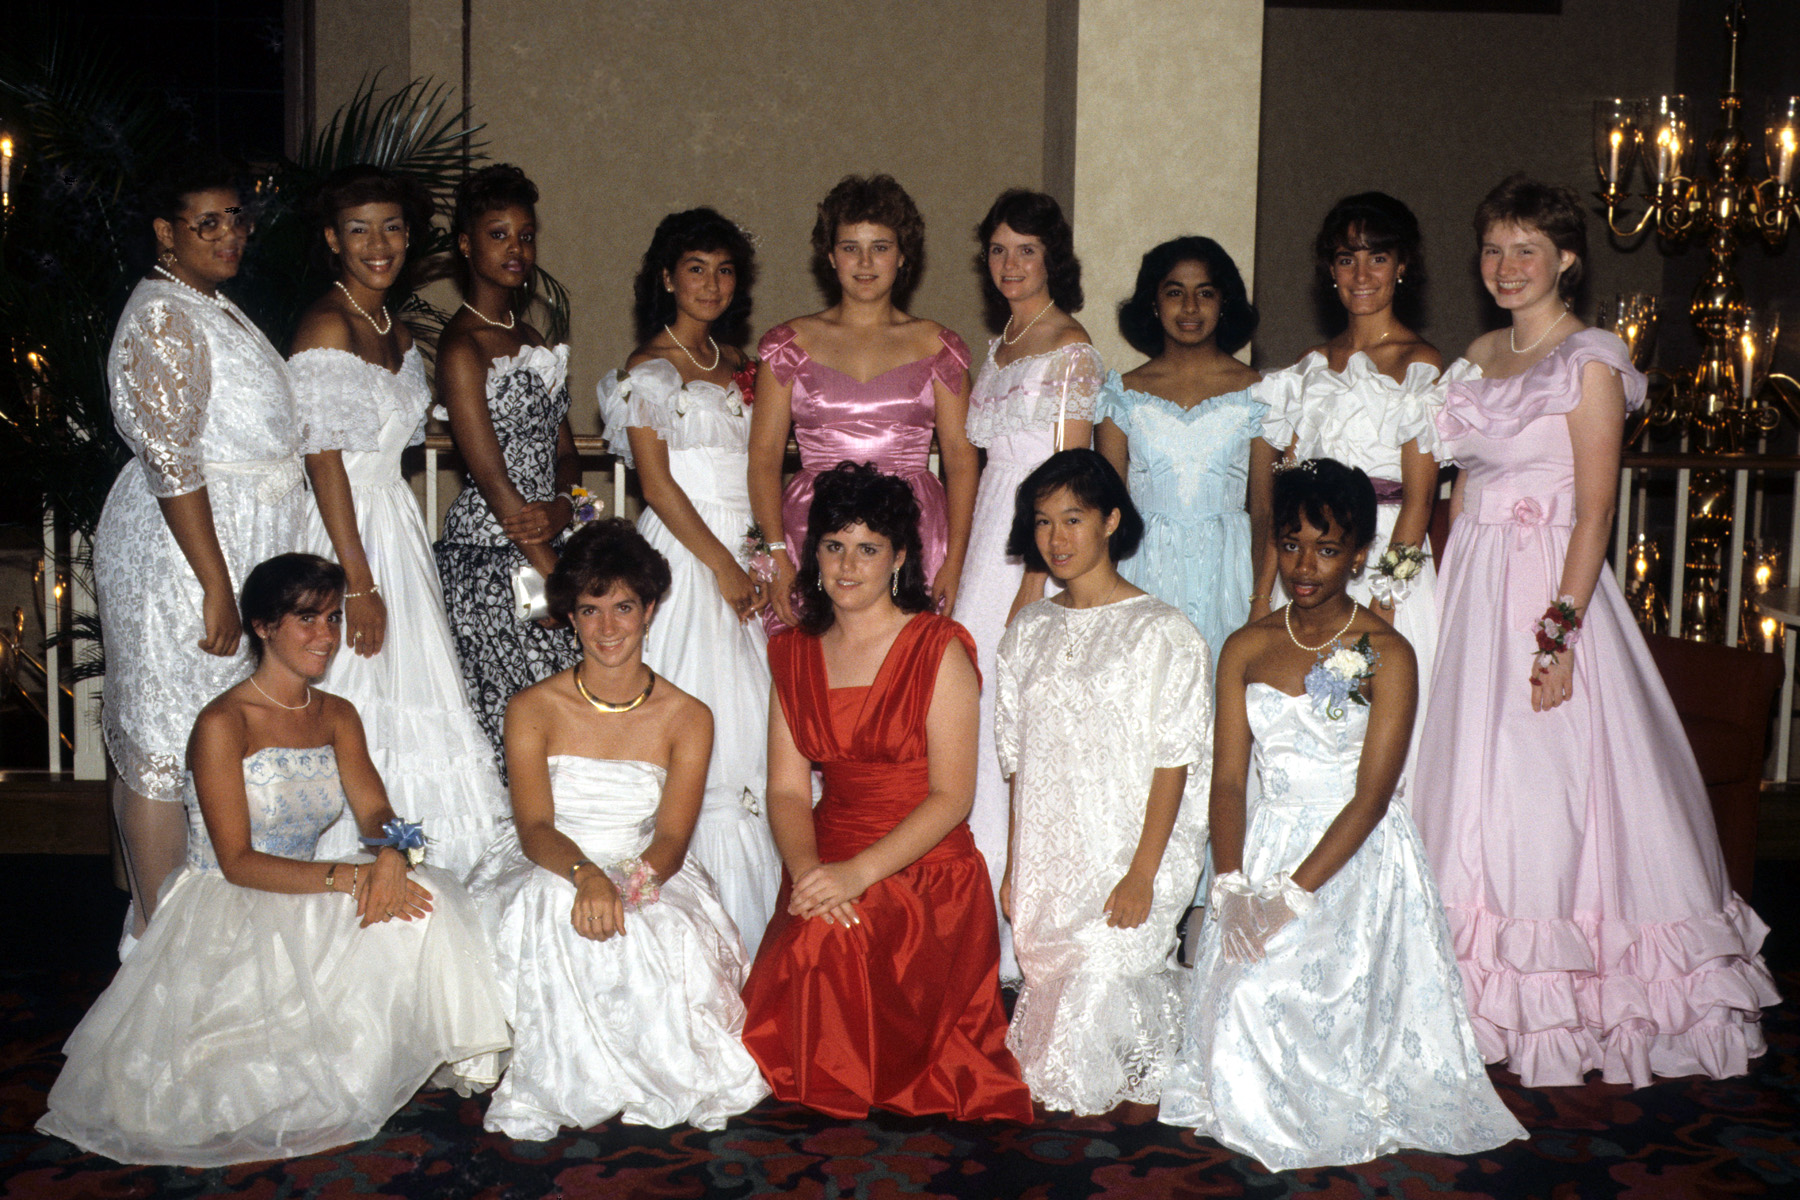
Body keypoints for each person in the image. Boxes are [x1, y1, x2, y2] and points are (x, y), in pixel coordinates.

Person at [1414, 176, 1778, 1089]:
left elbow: (1595, 512)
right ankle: (1469, 989)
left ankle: (1572, 996)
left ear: (1567, 259)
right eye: (1493, 249)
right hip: (1474, 591)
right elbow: (1461, 490)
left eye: (1526, 250)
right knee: (1462, 785)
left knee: (1547, 787)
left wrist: (1558, 636)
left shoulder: (1591, 362)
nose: (1506, 267)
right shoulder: (1478, 355)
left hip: (1547, 588)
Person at [37, 554, 510, 1167]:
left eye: (333, 618)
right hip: (230, 902)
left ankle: (388, 1055)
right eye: (307, 619)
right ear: (262, 626)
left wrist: (395, 851)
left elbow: (377, 812)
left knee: (430, 898)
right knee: (242, 1083)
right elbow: (237, 861)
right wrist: (355, 876)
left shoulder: (336, 713)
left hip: (306, 888)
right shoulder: (223, 722)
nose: (326, 635)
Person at [1159, 460, 1525, 1170]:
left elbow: (1372, 797)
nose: (1305, 566)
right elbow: (1228, 782)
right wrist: (1231, 885)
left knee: (1274, 995)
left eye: (1326, 549)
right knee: (1241, 994)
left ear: (1358, 555)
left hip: (1357, 856)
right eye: (1292, 545)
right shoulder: (1244, 647)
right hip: (1268, 844)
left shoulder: (1389, 653)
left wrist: (1291, 896)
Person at [740, 462, 1032, 1122]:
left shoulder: (937, 648)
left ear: (899, 557)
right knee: (818, 931)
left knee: (829, 942)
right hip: (825, 852)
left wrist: (856, 874)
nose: (847, 566)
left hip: (925, 865)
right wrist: (809, 872)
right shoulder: (793, 653)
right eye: (833, 546)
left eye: (868, 549)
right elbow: (786, 791)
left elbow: (953, 797)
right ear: (813, 554)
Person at [466, 520, 768, 1139]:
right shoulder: (531, 708)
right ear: (571, 617)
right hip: (551, 858)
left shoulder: (688, 715)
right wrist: (585, 876)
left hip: (647, 861)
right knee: (549, 907)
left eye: (623, 607)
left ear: (650, 610)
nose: (607, 628)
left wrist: (627, 883)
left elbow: (673, 838)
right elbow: (534, 825)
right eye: (590, 609)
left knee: (658, 930)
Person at [93, 154, 308, 941]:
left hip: (235, 541)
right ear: (166, 232)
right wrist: (217, 584)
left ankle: (207, 933)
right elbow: (173, 460)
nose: (230, 235)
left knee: (210, 736)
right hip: (182, 556)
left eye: (236, 219)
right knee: (167, 740)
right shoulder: (162, 315)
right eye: (206, 223)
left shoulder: (205, 302)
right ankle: (161, 939)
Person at [291, 164, 508, 879]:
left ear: (410, 237)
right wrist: (355, 582)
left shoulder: (401, 332)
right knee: (357, 688)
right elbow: (323, 460)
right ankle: (349, 876)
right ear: (333, 239)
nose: (377, 244)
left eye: (391, 228)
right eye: (358, 230)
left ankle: (423, 873)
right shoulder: (326, 324)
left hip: (396, 527)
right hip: (343, 532)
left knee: (417, 693)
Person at [995, 450, 1210, 1118]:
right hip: (1053, 856)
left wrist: (1143, 872)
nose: (1056, 538)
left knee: (1083, 1057)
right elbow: (1016, 760)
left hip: (1130, 852)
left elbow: (1176, 759)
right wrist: (1015, 864)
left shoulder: (1164, 631)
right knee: (1049, 1065)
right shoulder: (1027, 629)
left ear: (1111, 521)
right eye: (1042, 522)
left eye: (1073, 519)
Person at [597, 208, 780, 956]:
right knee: (702, 724)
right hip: (687, 553)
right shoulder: (649, 368)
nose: (711, 284)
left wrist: (762, 555)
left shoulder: (740, 362)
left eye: (724, 270)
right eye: (696, 269)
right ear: (668, 278)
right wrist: (722, 566)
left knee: (759, 733)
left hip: (744, 548)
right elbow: (658, 485)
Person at [1251, 192, 1444, 785]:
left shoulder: (1419, 364)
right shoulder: (1309, 366)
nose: (1361, 275)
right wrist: (1261, 595)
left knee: (1376, 730)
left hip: (1385, 558)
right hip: (1307, 558)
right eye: (1346, 258)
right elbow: (1285, 496)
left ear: (1402, 265)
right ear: (1329, 270)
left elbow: (1420, 498)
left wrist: (1385, 599)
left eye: (1377, 257)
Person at [960, 190, 1102, 982]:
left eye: (1026, 250)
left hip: (1034, 549)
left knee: (1026, 729)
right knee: (978, 721)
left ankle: (1031, 929)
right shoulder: (1001, 346)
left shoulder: (1070, 349)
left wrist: (1034, 580)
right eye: (998, 250)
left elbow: (1068, 476)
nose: (1010, 265)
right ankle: (975, 915)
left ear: (1053, 259)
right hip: (988, 540)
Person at [748, 174, 977, 629]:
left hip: (915, 531)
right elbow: (763, 457)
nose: (865, 262)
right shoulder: (788, 345)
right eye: (851, 247)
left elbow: (961, 458)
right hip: (812, 527)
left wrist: (955, 560)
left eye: (881, 247)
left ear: (903, 255)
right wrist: (776, 554)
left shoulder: (939, 347)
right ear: (830, 256)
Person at [433, 163, 580, 766]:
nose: (515, 249)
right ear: (466, 245)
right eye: (498, 235)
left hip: (550, 535)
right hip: (496, 556)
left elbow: (567, 454)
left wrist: (564, 507)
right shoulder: (461, 346)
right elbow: (493, 481)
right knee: (517, 719)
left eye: (525, 235)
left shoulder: (536, 342)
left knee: (568, 717)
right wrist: (555, 576)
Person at [1095, 236, 1268, 654]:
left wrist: (1261, 598)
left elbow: (1265, 509)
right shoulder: (1122, 394)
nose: (1190, 307)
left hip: (1229, 573)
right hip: (1144, 568)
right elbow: (1106, 511)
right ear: (1153, 304)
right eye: (1175, 293)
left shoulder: (1258, 393)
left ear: (1223, 303)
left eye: (1204, 293)